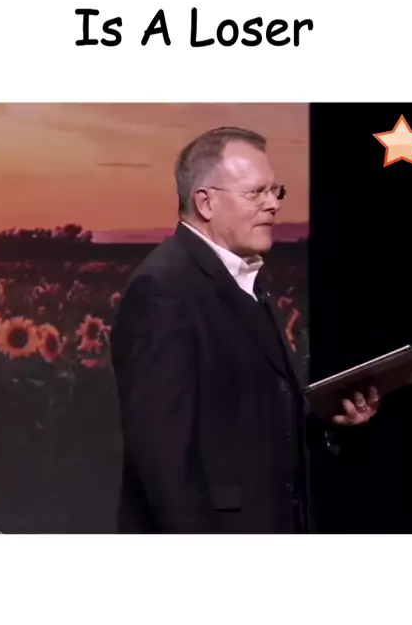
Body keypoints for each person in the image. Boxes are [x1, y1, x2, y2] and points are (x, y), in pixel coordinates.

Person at [111, 126, 379, 533]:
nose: (273, 205)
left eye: (275, 191)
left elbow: (244, 422)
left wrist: (331, 422)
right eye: (256, 193)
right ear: (206, 202)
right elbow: (163, 462)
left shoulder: (244, 279)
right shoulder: (163, 290)